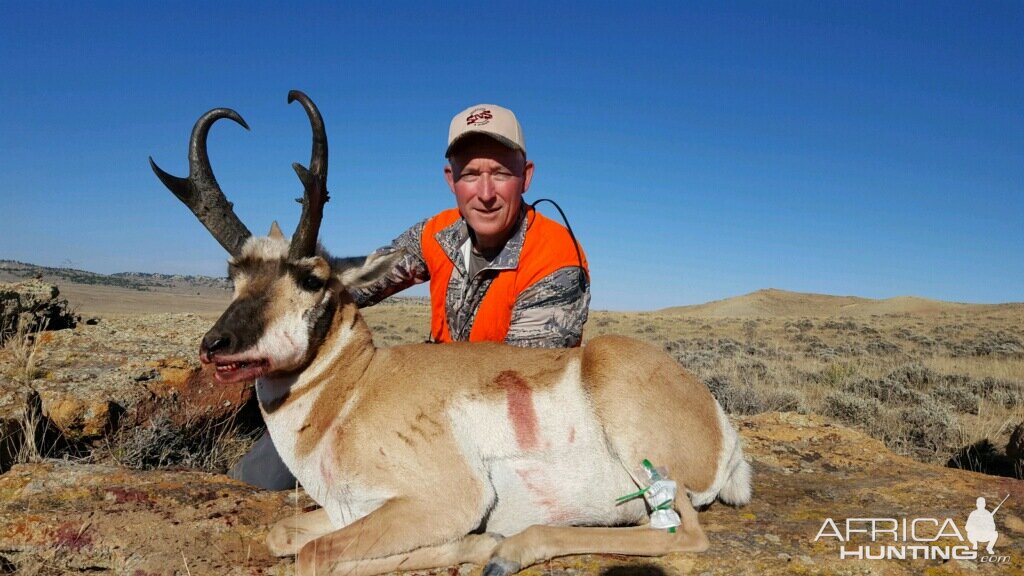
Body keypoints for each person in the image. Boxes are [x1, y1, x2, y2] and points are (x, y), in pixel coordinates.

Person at [229, 104, 591, 489]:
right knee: (268, 466)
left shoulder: (555, 258)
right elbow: (357, 284)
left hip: (500, 427)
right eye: (470, 174)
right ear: (451, 180)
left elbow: (524, 388)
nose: (485, 193)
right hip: (432, 395)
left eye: (500, 173)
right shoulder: (437, 233)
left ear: (526, 176)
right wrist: (296, 274)